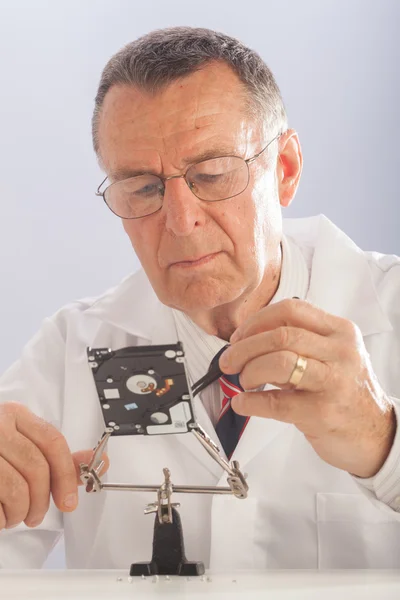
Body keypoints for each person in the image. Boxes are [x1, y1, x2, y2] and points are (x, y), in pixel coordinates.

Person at [0, 26, 399, 571]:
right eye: (143, 188)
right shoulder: (69, 350)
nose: (182, 223)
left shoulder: (390, 308)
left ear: (283, 170)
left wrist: (384, 446)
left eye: (212, 175)